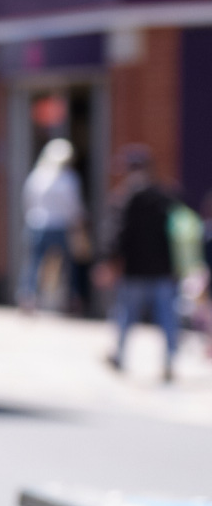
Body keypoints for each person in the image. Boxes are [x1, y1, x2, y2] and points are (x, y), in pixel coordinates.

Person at [105, 142, 181, 380]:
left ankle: (119, 355)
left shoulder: (126, 198)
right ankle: (169, 360)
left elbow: (117, 234)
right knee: (167, 318)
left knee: (127, 315)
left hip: (135, 269)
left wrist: (108, 259)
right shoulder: (166, 196)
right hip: (163, 269)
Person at [18, 135, 83, 312]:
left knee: (34, 263)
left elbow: (27, 200)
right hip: (60, 225)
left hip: (36, 223)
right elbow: (73, 206)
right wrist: (78, 224)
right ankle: (69, 298)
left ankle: (28, 296)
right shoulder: (68, 178)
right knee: (66, 265)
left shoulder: (37, 175)